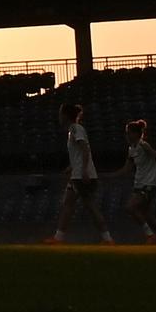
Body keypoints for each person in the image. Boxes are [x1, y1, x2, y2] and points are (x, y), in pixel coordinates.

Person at [45, 101, 112, 243]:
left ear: (65, 116)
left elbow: (85, 149)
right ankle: (58, 238)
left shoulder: (76, 129)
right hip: (76, 174)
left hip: (81, 176)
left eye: (60, 113)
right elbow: (78, 153)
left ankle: (107, 238)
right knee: (69, 204)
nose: (58, 116)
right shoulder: (72, 130)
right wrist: (71, 167)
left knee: (89, 206)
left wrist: (84, 171)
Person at [120, 116, 156, 243]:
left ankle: (150, 235)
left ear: (135, 134)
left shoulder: (143, 145)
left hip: (148, 184)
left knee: (130, 207)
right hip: (139, 185)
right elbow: (126, 169)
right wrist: (109, 176)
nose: (126, 136)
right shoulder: (131, 149)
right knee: (148, 217)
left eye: (128, 133)